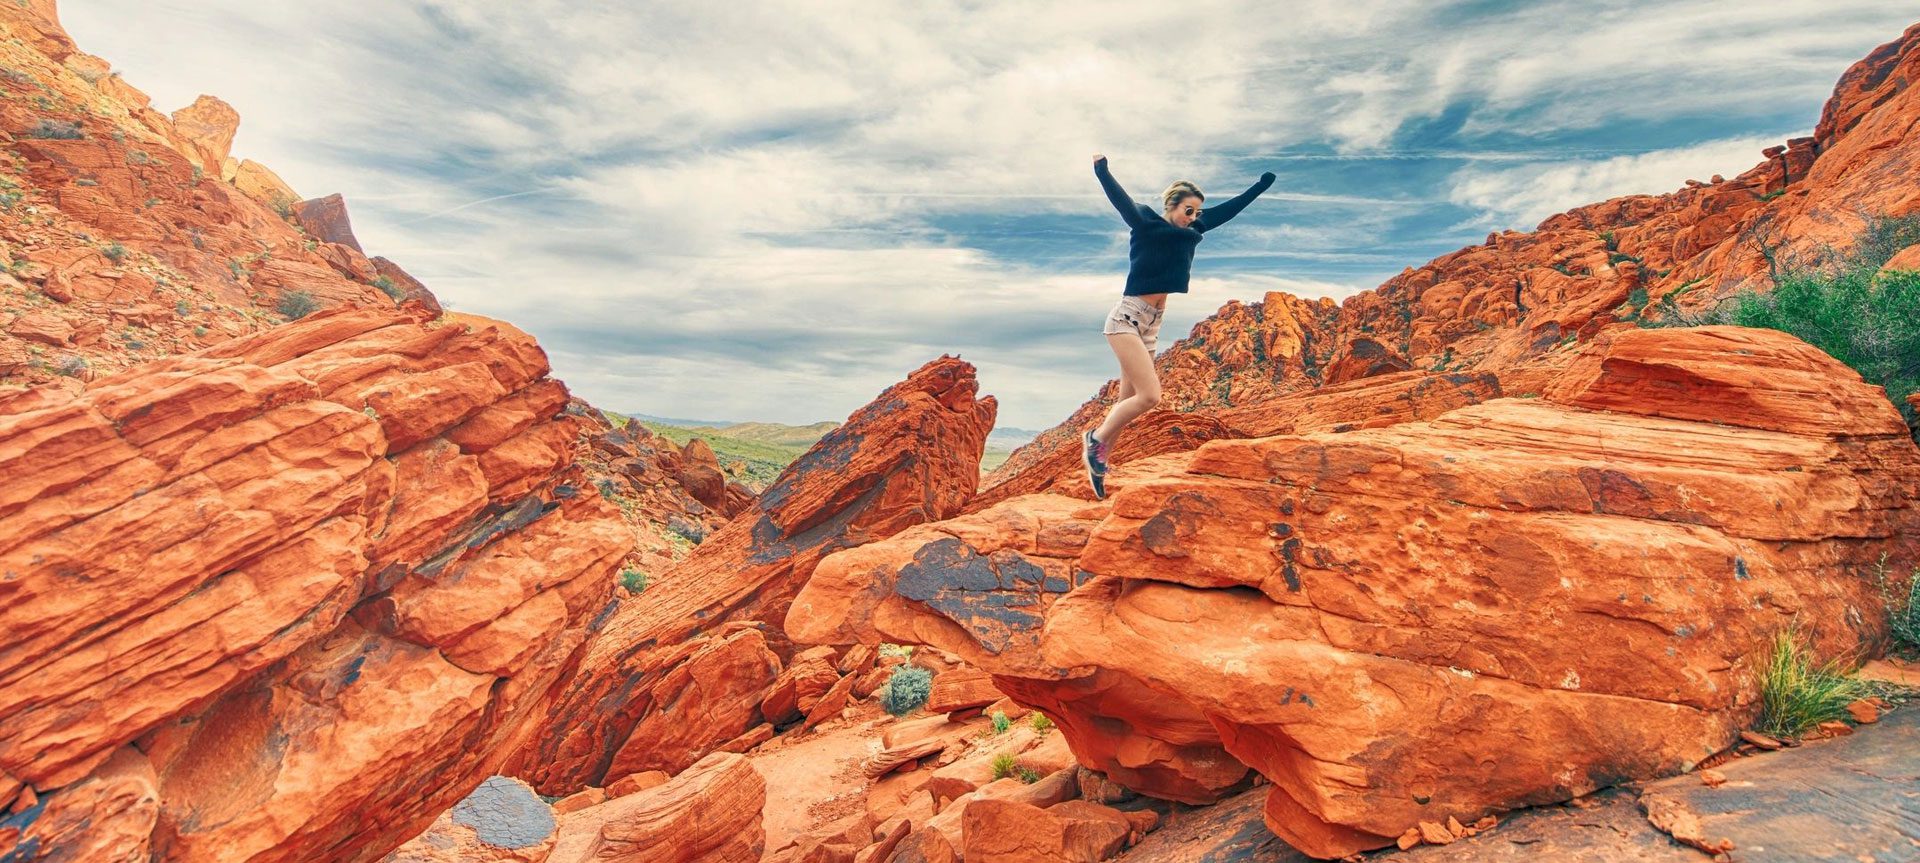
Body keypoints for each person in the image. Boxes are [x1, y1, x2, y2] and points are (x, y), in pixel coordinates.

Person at [1082, 153, 1275, 498]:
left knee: (1128, 400)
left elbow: (1228, 210)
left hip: (1152, 325)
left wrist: (1259, 188)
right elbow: (1121, 201)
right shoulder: (1146, 223)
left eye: (1197, 212)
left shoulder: (1195, 228)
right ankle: (1094, 441)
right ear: (1171, 207)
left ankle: (1100, 463)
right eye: (1188, 211)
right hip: (1127, 318)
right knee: (1150, 396)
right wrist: (1103, 171)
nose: (1194, 218)